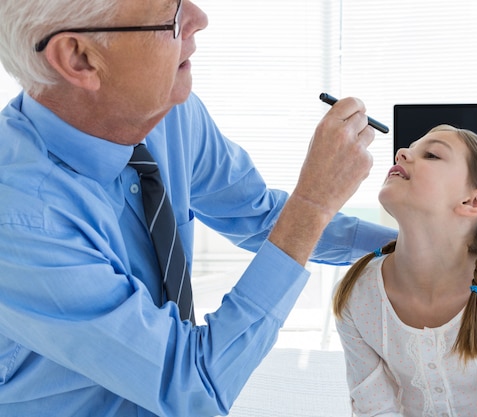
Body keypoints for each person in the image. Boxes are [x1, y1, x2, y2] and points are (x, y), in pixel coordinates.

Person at [0, 1, 397, 416]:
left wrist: (408, 246)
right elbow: (192, 386)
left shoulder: (167, 112)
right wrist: (313, 203)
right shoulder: (20, 218)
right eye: (170, 15)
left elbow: (257, 214)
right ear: (79, 58)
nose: (199, 19)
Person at [333, 125, 477, 416]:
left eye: (432, 154)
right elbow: (375, 409)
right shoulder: (356, 295)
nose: (402, 152)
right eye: (409, 148)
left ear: (473, 201)